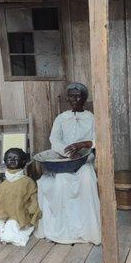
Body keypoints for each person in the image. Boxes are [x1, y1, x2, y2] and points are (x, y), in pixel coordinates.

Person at [34, 82, 101, 245]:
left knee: (86, 176)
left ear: (84, 98)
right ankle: (64, 229)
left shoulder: (91, 118)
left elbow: (98, 139)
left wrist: (83, 145)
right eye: (71, 96)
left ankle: (86, 229)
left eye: (78, 96)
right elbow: (54, 139)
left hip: (85, 158)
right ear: (68, 98)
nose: (75, 99)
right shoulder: (61, 118)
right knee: (61, 180)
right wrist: (67, 151)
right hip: (64, 159)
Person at [0, 148, 41, 246]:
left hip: (19, 213)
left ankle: (8, 232)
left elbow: (34, 197)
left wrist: (33, 209)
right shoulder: (4, 184)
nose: (12, 160)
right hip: (2, 211)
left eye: (16, 158)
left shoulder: (28, 182)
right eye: (9, 158)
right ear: (5, 161)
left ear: (23, 161)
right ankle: (1, 230)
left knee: (11, 227)